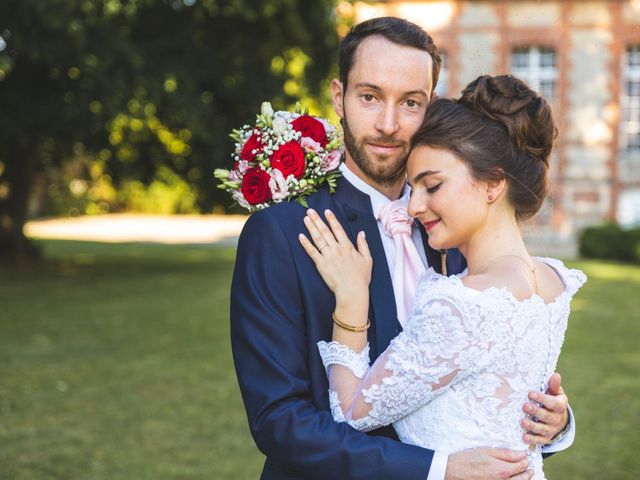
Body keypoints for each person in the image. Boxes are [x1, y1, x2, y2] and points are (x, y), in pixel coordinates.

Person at [231, 17, 573, 480]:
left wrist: (553, 424)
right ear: (339, 97)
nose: (388, 124)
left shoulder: (455, 232)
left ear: (430, 106)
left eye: (410, 103)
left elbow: (484, 393)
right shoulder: (282, 233)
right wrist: (435, 470)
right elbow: (279, 421)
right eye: (369, 96)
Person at [298, 73, 585, 480]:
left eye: (432, 186)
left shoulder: (463, 303)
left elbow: (351, 413)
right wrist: (556, 421)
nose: (413, 206)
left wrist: (351, 299)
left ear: (492, 184)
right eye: (413, 188)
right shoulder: (554, 283)